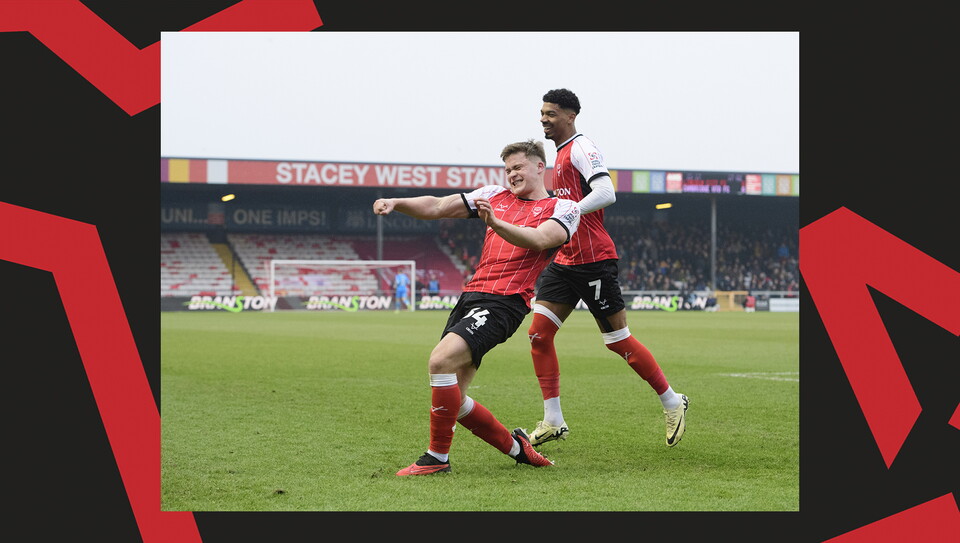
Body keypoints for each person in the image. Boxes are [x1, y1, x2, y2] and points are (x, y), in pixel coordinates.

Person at [373, 139, 581, 475]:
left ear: (540, 167)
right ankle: (518, 449)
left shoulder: (564, 209)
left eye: (518, 167)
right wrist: (396, 202)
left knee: (439, 361)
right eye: (507, 169)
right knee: (453, 398)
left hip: (506, 302)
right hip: (470, 298)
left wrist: (496, 224)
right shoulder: (493, 195)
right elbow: (438, 206)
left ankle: (436, 459)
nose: (511, 174)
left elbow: (543, 239)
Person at [526, 88, 689, 448]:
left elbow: (606, 192)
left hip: (595, 261)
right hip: (566, 261)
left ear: (570, 116)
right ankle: (553, 420)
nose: (543, 119)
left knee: (618, 341)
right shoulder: (560, 156)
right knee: (538, 335)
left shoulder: (583, 148)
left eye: (550, 113)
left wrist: (569, 210)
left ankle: (672, 401)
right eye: (541, 113)